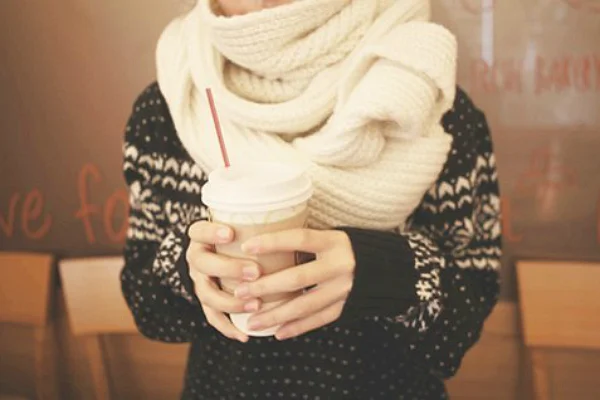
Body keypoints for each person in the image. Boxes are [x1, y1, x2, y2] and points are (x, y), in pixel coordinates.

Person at [120, 0, 502, 398]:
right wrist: (190, 267)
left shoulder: (421, 95)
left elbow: (464, 322)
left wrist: (383, 272)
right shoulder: (172, 102)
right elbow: (148, 309)